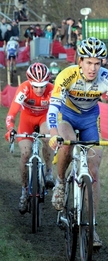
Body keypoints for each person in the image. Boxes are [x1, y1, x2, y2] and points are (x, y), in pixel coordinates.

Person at [47, 37, 108, 247]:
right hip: (68, 117)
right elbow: (53, 109)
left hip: (91, 119)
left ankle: (91, 227)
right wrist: (54, 133)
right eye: (89, 62)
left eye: (97, 63)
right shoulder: (67, 75)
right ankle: (61, 182)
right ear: (80, 61)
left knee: (94, 169)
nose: (93, 68)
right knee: (67, 142)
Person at [5, 63, 55, 214]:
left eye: (42, 86)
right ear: (30, 82)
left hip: (44, 118)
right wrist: (10, 129)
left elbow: (60, 112)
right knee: (25, 154)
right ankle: (24, 190)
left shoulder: (52, 90)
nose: (39, 90)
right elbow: (12, 113)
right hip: (27, 119)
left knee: (48, 137)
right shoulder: (24, 88)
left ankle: (48, 171)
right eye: (36, 86)